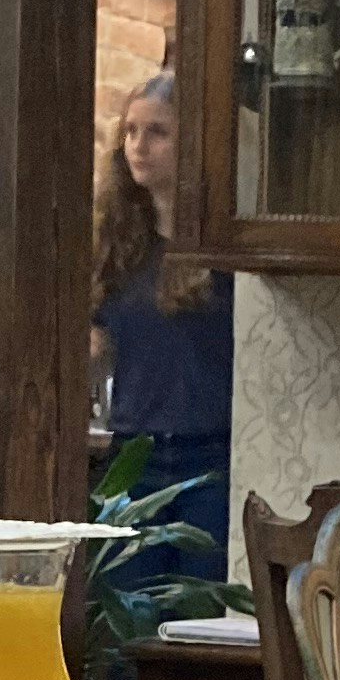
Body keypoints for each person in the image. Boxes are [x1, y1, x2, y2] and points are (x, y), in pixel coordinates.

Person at [91, 70, 232, 572]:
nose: (138, 146)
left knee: (203, 621)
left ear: (190, 143)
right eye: (130, 131)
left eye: (157, 132)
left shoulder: (223, 248)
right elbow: (95, 342)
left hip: (211, 457)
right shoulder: (119, 243)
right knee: (127, 622)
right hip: (134, 455)